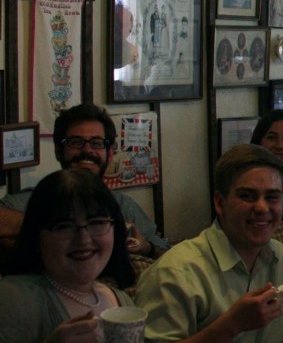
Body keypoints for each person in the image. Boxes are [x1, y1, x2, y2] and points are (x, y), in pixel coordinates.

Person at [0, 169, 155, 343]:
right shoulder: (15, 298)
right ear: (38, 236)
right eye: (64, 226)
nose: (83, 238)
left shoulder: (121, 300)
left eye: (97, 223)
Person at [134, 145, 283, 343]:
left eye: (272, 197)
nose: (262, 208)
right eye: (247, 196)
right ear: (220, 203)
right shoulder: (176, 271)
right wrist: (231, 325)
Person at [0, 104, 168, 259]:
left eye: (97, 143)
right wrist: (56, 224)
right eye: (76, 142)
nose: (87, 150)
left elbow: (168, 254)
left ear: (109, 153)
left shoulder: (124, 206)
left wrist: (147, 248)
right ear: (58, 151)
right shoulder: (31, 201)